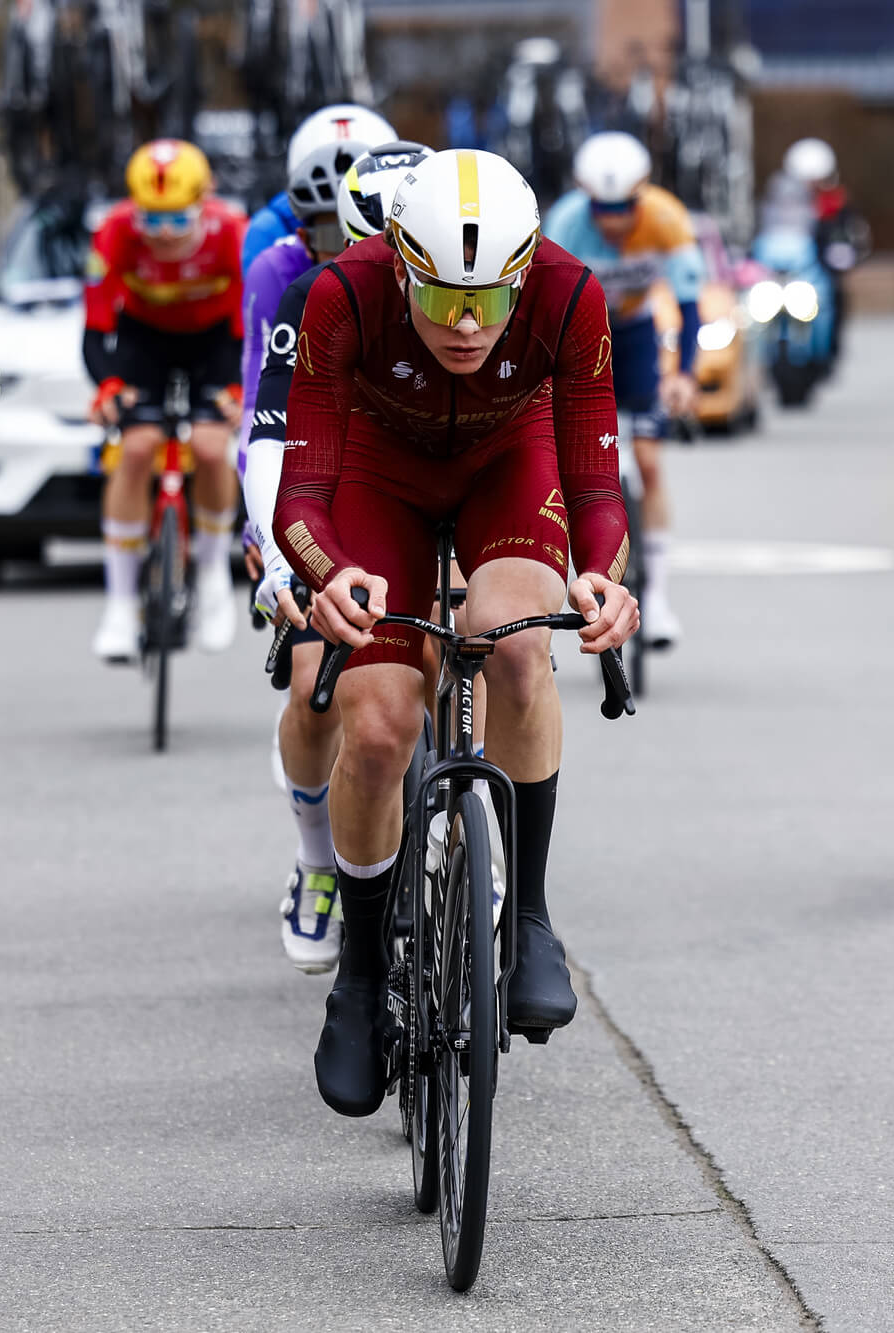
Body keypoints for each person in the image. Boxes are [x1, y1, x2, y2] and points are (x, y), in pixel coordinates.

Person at [271, 149, 639, 1116]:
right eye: (441, 299)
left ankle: (530, 921)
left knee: (517, 643)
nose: (469, 325)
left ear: (524, 268)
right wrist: (327, 572)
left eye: (489, 297)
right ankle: (359, 978)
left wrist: (601, 576)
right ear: (399, 261)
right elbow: (302, 492)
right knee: (383, 724)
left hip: (505, 464)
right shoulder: (342, 295)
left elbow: (597, 479)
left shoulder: (570, 294)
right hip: (376, 469)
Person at [238, 139, 432, 972]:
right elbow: (270, 440)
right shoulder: (312, 296)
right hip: (336, 496)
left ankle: (473, 843)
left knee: (490, 642)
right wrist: (282, 558)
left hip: (434, 498)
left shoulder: (471, 293)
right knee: (319, 684)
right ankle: (319, 860)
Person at [83, 139, 247, 661]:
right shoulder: (113, 233)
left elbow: (254, 323)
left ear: (205, 201)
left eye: (178, 218)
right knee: (134, 450)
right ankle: (120, 604)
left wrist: (242, 388)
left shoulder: (232, 236)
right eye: (151, 221)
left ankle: (215, 572)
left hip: (216, 341)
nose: (166, 234)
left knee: (211, 446)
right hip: (144, 341)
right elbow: (94, 327)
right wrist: (107, 384)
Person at [541, 130, 703, 649]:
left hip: (633, 337)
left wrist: (685, 375)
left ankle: (655, 600)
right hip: (579, 341)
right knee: (571, 472)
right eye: (602, 207)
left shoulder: (667, 218)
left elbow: (691, 304)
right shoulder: (564, 224)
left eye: (625, 207)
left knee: (650, 462)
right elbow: (541, 310)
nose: (612, 219)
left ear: (644, 193)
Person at [240, 104, 396, 277]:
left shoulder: (267, 229)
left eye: (366, 238)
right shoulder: (269, 230)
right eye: (335, 239)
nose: (349, 255)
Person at [781, 137, 869, 370]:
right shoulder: (784, 203)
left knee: (834, 296)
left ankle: (829, 348)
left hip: (820, 267)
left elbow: (853, 234)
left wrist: (846, 252)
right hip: (791, 265)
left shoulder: (836, 202)